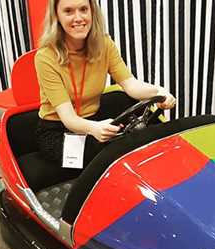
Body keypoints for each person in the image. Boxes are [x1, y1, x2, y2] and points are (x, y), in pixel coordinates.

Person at [35, 0, 176, 166]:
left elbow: (131, 85)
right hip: (58, 130)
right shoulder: (45, 57)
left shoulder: (105, 44)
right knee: (113, 154)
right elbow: (69, 119)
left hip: (94, 118)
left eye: (83, 9)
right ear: (57, 16)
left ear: (92, 11)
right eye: (68, 11)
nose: (78, 17)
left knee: (149, 136)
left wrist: (160, 92)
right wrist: (93, 129)